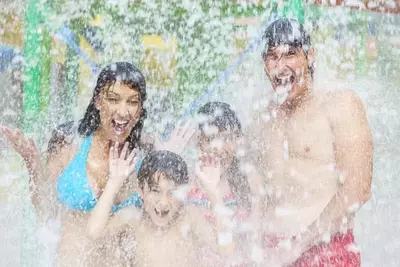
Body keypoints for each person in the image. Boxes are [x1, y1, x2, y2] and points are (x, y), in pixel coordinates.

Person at [249, 18, 373, 266]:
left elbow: (358, 189)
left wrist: (298, 245)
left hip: (325, 249)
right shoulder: (261, 115)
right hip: (271, 251)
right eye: (272, 57)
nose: (281, 67)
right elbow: (252, 188)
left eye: (291, 55)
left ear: (310, 56)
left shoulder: (339, 104)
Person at [2, 62, 147, 266]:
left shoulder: (145, 154)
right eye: (113, 99)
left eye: (132, 102)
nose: (123, 112)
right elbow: (46, 211)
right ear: (97, 100)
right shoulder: (69, 144)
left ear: (140, 109)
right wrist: (33, 166)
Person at [87, 148, 237, 267]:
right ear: (141, 190)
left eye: (172, 193)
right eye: (155, 191)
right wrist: (114, 182)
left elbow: (227, 250)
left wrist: (213, 192)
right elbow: (94, 233)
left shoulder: (189, 217)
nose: (163, 202)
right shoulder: (133, 217)